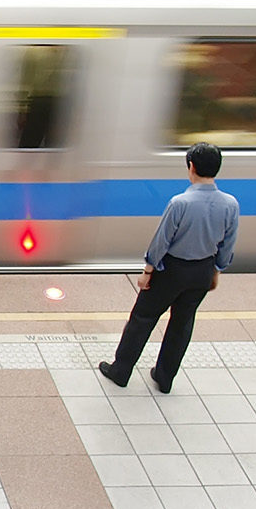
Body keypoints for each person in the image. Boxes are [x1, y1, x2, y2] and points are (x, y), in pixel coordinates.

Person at [100, 142, 240, 394]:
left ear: (191, 167)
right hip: (202, 271)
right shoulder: (231, 204)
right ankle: (165, 378)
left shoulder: (180, 203)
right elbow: (228, 243)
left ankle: (121, 370)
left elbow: (161, 242)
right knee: (182, 323)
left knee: (143, 318)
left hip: (172, 270)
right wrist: (217, 270)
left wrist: (147, 271)